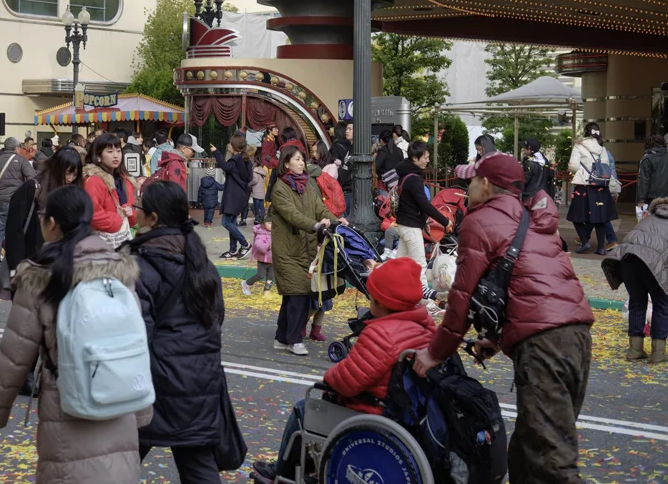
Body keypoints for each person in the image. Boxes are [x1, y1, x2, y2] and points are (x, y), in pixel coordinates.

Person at [413, 153, 594, 484]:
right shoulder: (531, 219)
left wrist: (435, 352)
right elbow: (522, 285)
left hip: (544, 346)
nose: (466, 188)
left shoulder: (480, 222)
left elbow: (461, 297)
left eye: (470, 181)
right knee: (527, 451)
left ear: (485, 184)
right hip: (577, 334)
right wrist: (496, 339)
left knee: (553, 461)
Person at [0, 186, 150, 484]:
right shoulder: (119, 271)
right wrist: (142, 412)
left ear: (52, 222)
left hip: (67, 410)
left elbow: (15, 357)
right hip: (120, 406)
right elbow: (131, 343)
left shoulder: (40, 275)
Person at [251, 257, 425, 484]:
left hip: (373, 413)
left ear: (380, 302)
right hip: (404, 411)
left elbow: (345, 381)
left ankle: (282, 472)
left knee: (304, 408)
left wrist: (329, 377)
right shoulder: (424, 326)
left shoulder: (382, 334)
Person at [127, 181, 226, 484]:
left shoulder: (140, 264)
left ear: (152, 218)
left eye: (139, 207)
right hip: (201, 379)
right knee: (197, 463)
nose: (135, 212)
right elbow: (216, 318)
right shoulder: (201, 260)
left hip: (154, 383)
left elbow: (135, 334)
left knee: (119, 462)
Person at [270, 145, 344, 356]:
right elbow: (292, 215)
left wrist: (335, 220)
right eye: (296, 160)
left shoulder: (306, 187)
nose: (302, 163)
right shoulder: (280, 189)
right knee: (299, 293)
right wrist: (315, 226)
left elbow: (320, 208)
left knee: (292, 295)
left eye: (302, 159)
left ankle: (281, 338)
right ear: (286, 164)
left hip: (306, 249)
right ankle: (295, 340)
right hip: (287, 251)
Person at [0, 147, 82, 298]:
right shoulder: (32, 188)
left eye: (75, 174)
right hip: (30, 266)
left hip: (59, 268)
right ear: (57, 169)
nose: (70, 179)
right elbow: (14, 231)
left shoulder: (72, 194)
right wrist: (15, 269)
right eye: (67, 172)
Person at [603, 196, 668, 364]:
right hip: (652, 262)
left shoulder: (648, 220)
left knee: (637, 303)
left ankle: (634, 350)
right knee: (662, 304)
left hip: (627, 261)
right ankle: (658, 353)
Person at [395, 140, 453, 271]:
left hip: (405, 224)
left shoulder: (405, 173)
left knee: (399, 263)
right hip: (411, 226)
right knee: (420, 265)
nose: (427, 161)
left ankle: (391, 289)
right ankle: (423, 291)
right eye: (425, 158)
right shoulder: (414, 179)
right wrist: (445, 221)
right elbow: (424, 204)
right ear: (415, 158)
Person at [0, 137, 38, 273]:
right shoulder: (21, 160)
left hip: (1, 200)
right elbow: (32, 177)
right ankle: (13, 259)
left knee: (0, 230)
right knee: (17, 230)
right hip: (18, 201)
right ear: (16, 148)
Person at [567, 122, 618, 255]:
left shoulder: (579, 145)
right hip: (601, 186)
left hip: (584, 185)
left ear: (586, 131)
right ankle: (600, 248)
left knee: (575, 216)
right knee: (600, 218)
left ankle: (585, 241)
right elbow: (607, 165)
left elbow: (573, 166)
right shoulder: (602, 147)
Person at [83, 133, 137, 248]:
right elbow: (92, 215)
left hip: (122, 240)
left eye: (118, 151)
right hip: (100, 244)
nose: (116, 156)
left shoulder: (125, 180)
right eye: (110, 151)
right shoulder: (93, 181)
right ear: (98, 156)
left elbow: (134, 210)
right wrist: (118, 219)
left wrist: (130, 213)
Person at [212, 135, 252, 259]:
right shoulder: (246, 160)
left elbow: (225, 166)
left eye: (230, 144)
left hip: (234, 195)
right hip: (241, 195)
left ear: (233, 146)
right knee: (232, 222)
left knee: (226, 222)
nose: (228, 146)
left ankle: (245, 244)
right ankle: (233, 250)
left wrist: (216, 152)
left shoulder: (235, 160)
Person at [328, 122, 355, 217]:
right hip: (345, 189)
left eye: (350, 129)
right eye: (346, 129)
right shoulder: (349, 148)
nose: (347, 131)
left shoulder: (357, 149)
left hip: (351, 190)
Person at [242, 220, 273, 295]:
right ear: (263, 224)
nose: (272, 225)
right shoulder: (260, 234)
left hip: (273, 260)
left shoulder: (277, 233)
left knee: (271, 277)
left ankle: (266, 291)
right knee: (260, 275)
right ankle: (246, 283)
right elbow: (258, 245)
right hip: (263, 260)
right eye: (269, 223)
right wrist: (268, 247)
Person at [638, 134, 668, 205]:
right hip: (666, 197)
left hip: (652, 198)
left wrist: (641, 199)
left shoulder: (647, 159)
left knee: (652, 215)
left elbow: (644, 180)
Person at [521, 138, 552, 202]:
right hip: (544, 195)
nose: (523, 149)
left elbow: (524, 180)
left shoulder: (529, 163)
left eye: (524, 148)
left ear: (529, 149)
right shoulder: (545, 162)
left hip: (530, 197)